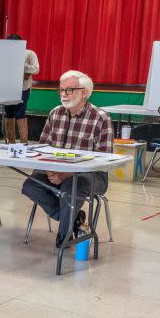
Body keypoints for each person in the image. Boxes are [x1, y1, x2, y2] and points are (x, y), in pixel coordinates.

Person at [22, 70, 112, 248]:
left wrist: (67, 174)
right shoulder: (55, 113)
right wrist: (49, 169)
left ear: (84, 92)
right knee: (30, 186)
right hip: (55, 170)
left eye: (69, 90)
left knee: (71, 186)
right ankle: (74, 219)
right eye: (61, 90)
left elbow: (103, 160)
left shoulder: (100, 118)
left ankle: (64, 234)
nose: (63, 94)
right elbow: (42, 148)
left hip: (91, 175)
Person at [4, 34, 40, 144]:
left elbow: (37, 69)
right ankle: (11, 143)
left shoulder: (29, 53)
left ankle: (24, 143)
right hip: (8, 87)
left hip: (23, 87)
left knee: (20, 112)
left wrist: (23, 65)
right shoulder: (5, 55)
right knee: (8, 112)